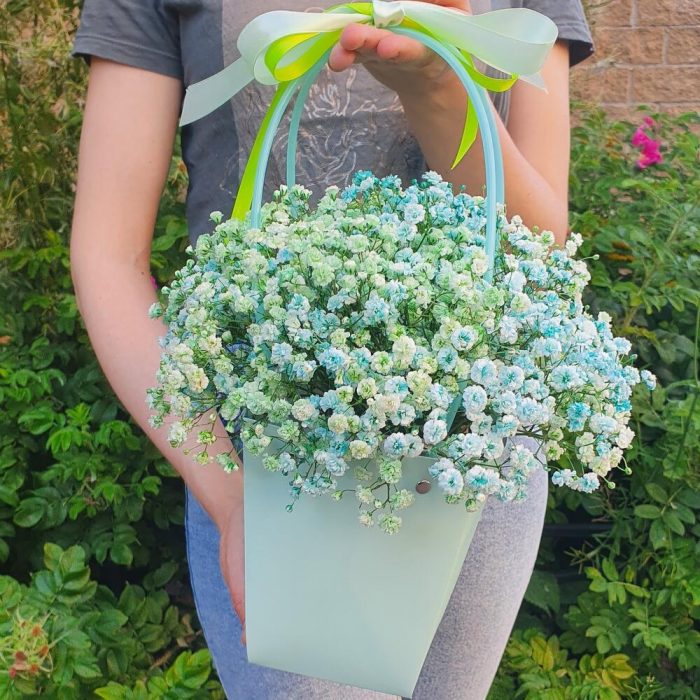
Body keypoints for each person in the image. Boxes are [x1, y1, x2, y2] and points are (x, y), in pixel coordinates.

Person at [70, 0, 594, 697]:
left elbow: (538, 251)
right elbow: (109, 257)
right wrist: (236, 503)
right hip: (270, 465)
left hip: (477, 454)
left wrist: (437, 89)